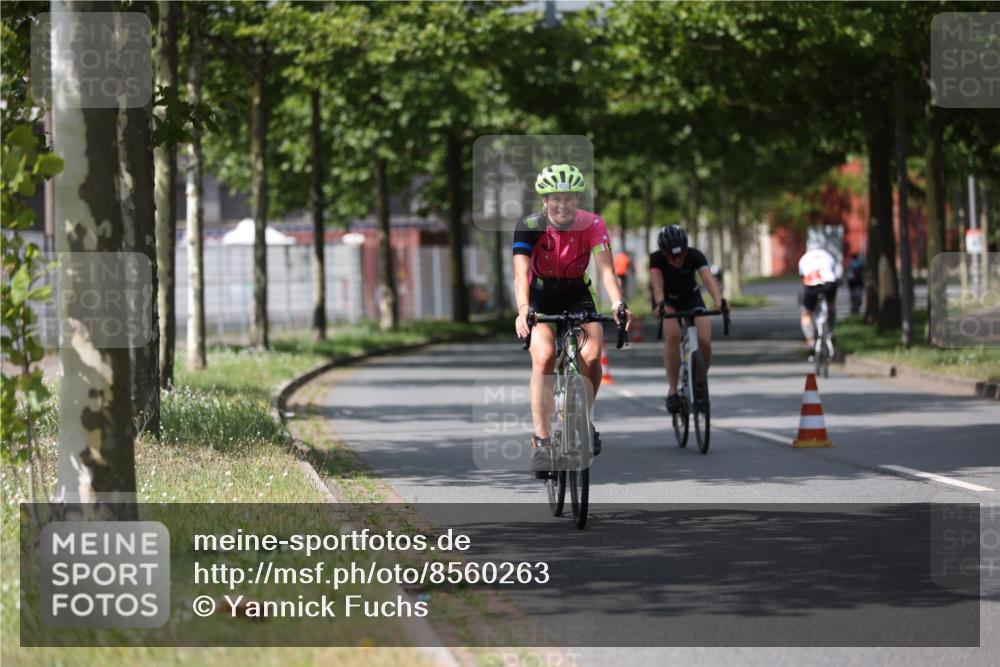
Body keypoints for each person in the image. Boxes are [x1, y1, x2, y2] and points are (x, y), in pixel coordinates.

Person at [513, 164, 633, 477]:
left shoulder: (592, 223)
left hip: (576, 293)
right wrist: (523, 307)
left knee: (592, 354)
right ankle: (541, 442)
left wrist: (618, 302)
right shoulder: (528, 225)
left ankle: (583, 419)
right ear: (544, 200)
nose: (562, 205)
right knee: (544, 357)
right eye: (556, 199)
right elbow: (519, 274)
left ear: (577, 199)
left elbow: (606, 270)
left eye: (569, 198)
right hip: (539, 296)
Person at [649, 225, 726, 414]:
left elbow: (708, 280)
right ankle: (673, 390)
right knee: (673, 335)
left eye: (681, 255)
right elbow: (657, 286)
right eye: (672, 257)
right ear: (664, 253)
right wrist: (660, 304)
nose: (677, 260)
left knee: (704, 339)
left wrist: (719, 301)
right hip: (667, 299)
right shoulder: (657, 259)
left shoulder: (695, 255)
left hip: (691, 297)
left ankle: (700, 381)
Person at [798, 243, 843, 351]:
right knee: (831, 305)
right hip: (829, 283)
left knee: (806, 314)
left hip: (811, 284)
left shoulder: (804, 258)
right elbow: (836, 273)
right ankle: (831, 332)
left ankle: (810, 340)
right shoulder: (828, 255)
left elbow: (803, 276)